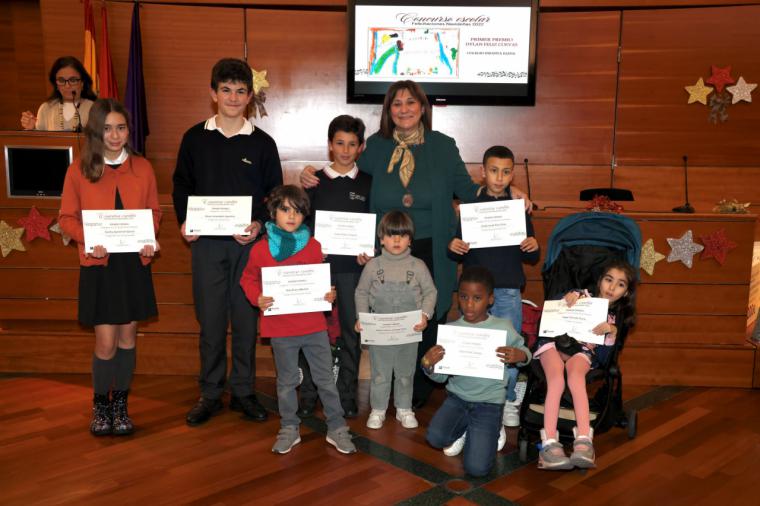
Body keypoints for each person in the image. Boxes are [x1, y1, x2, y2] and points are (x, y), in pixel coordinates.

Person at [301, 80, 532, 408]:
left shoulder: (443, 145)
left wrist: (512, 193)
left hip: (433, 248)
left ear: (423, 107)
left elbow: (469, 192)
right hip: (388, 250)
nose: (404, 109)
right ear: (388, 111)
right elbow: (345, 173)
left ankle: (418, 389)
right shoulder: (375, 148)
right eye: (397, 104)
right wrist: (311, 173)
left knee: (428, 317)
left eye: (411, 102)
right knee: (389, 314)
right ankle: (386, 386)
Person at [172, 58, 282, 426]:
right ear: (213, 93)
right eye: (225, 90)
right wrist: (185, 221)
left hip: (247, 248)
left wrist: (259, 224)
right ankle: (210, 392)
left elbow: (273, 195)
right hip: (206, 246)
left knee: (247, 322)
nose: (233, 97)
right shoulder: (194, 138)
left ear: (250, 97)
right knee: (212, 321)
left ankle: (244, 391)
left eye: (240, 91)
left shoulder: (264, 143)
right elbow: (182, 186)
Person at [58, 98, 161, 436]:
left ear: (129, 130)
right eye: (107, 128)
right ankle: (101, 405)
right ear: (95, 132)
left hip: (133, 265)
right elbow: (66, 219)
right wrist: (88, 239)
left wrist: (150, 237)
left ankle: (121, 405)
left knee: (129, 339)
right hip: (99, 266)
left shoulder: (143, 168)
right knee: (106, 343)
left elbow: (154, 213)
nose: (115, 135)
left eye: (121, 127)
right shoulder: (79, 169)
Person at [240, 185, 357, 455]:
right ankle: (289, 427)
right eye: (285, 210)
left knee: (325, 379)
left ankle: (337, 427)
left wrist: (330, 294)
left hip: (315, 326)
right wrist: (257, 297)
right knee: (286, 381)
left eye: (297, 211)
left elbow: (321, 282)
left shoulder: (314, 246)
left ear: (305, 215)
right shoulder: (261, 249)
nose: (291, 216)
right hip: (281, 329)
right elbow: (247, 278)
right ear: (273, 212)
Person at [447, 145, 539, 427]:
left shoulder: (519, 209)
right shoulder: (469, 208)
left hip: (509, 291)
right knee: (475, 345)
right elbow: (455, 251)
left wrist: (533, 246)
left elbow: (531, 256)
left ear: (513, 175)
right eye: (494, 171)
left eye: (506, 172)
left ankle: (508, 399)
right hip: (475, 294)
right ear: (483, 172)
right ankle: (470, 396)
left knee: (507, 347)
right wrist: (454, 245)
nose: (500, 178)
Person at [422, 266, 531, 477]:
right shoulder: (452, 331)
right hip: (457, 399)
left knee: (477, 469)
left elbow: (526, 354)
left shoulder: (503, 327)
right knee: (435, 438)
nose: (469, 305)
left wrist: (520, 355)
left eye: (477, 298)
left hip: (489, 404)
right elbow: (441, 377)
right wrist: (428, 364)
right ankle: (465, 429)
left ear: (490, 299)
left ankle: (485, 429)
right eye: (464, 297)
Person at [297, 115, 372, 419]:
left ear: (361, 147)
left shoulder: (368, 183)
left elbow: (374, 225)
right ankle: (308, 394)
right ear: (330, 145)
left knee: (352, 332)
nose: (345, 149)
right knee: (312, 330)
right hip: (318, 269)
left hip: (353, 271)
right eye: (339, 143)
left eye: (352, 144)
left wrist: (370, 251)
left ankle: (346, 394)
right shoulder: (313, 180)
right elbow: (298, 225)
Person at [533, 258, 637, 470]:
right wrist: (568, 295)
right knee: (556, 380)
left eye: (620, 284)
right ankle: (549, 442)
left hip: (582, 351)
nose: (612, 287)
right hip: (553, 343)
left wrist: (611, 334)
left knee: (575, 378)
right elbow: (553, 306)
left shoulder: (613, 320)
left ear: (626, 293)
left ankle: (583, 440)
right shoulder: (581, 295)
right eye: (609, 280)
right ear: (600, 281)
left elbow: (604, 357)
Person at [354, 210, 437, 430]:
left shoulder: (417, 266)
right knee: (380, 374)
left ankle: (404, 409)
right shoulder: (373, 266)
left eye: (402, 235)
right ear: (381, 238)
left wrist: (425, 314)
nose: (397, 240)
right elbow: (361, 292)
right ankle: (378, 409)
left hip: (408, 333)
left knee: (405, 373)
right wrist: (361, 317)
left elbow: (431, 292)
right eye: (391, 235)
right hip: (379, 332)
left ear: (410, 238)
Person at [21, 56, 97, 131]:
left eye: (73, 80)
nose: (67, 86)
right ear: (56, 85)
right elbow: (39, 141)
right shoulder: (46, 108)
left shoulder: (94, 108)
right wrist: (32, 128)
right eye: (61, 80)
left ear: (82, 83)